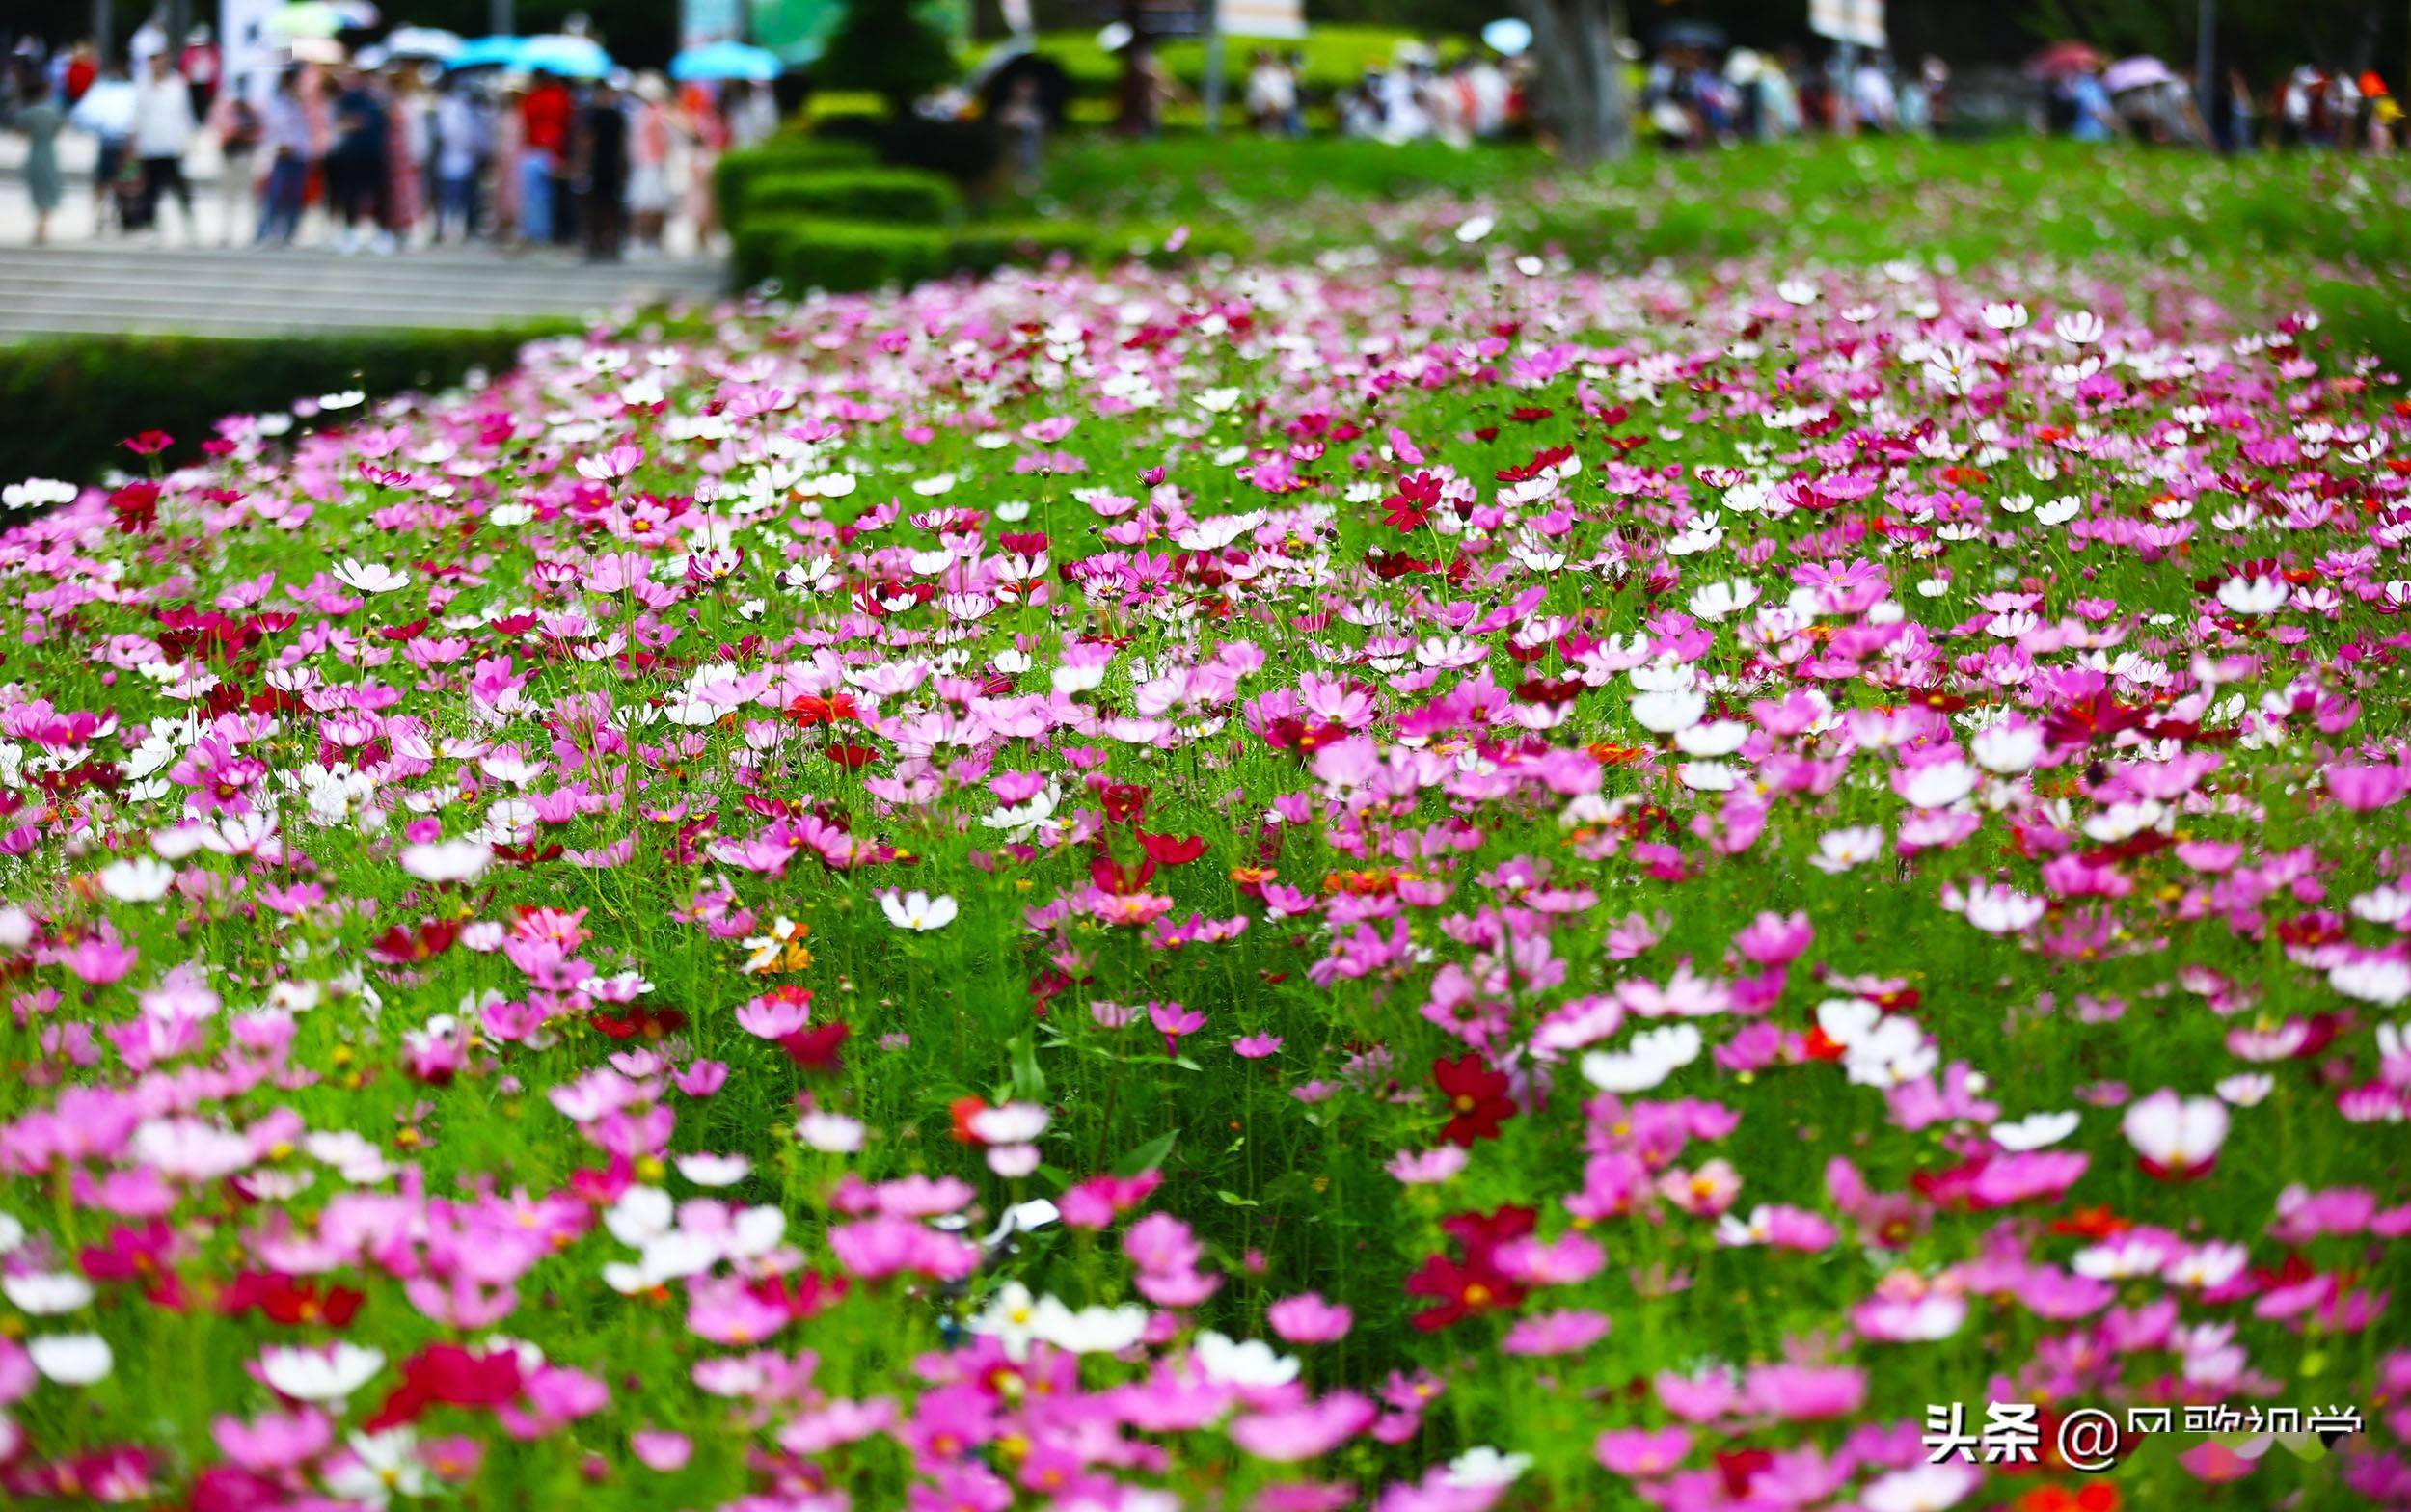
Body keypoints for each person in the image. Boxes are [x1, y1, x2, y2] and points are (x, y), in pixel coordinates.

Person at [130, 50, 198, 241]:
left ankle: (190, 226)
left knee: (180, 188)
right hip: (150, 146)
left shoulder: (177, 84)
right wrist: (134, 142)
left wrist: (187, 141)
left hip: (172, 145)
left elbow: (185, 114)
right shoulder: (143, 85)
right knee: (151, 191)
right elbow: (137, 116)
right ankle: (154, 229)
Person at [327, 66, 391, 253]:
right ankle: (350, 233)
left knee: (378, 195)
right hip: (353, 155)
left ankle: (382, 233)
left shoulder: (379, 98)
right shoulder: (349, 98)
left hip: (375, 154)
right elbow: (343, 122)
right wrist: (354, 122)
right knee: (352, 195)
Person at [576, 75, 628, 261]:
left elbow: (620, 143)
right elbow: (587, 141)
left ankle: (608, 241)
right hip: (599, 165)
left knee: (607, 205)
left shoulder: (614, 115)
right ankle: (597, 241)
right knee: (598, 204)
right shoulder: (596, 115)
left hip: (608, 164)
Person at [257, 68, 312, 244]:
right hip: (280, 155)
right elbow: (271, 129)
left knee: (295, 196)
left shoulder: (303, 103)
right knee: (274, 194)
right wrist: (277, 147)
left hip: (299, 155)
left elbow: (308, 129)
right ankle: (264, 232)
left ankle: (289, 232)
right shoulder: (275, 102)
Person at [518, 68, 572, 246]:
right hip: (553, 149)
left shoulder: (531, 98)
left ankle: (537, 232)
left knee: (536, 196)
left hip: (536, 149)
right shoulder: (560, 96)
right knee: (550, 195)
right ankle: (551, 232)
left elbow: (525, 124)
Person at [13, 63, 65, 244]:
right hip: (48, 151)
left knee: (38, 189)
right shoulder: (53, 112)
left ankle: (40, 225)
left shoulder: (28, 113)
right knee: (48, 188)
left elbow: (19, 132)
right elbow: (58, 130)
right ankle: (43, 224)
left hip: (35, 152)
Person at [206, 74, 261, 246]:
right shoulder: (225, 107)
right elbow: (219, 129)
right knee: (228, 197)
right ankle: (227, 232)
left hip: (246, 156)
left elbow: (258, 130)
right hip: (229, 156)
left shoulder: (252, 108)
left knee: (248, 197)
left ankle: (252, 233)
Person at [432, 80, 485, 242]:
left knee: (462, 196)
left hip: (465, 159)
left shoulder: (468, 110)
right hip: (452, 158)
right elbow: (447, 133)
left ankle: (459, 229)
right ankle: (448, 228)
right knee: (449, 196)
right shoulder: (448, 107)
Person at [627, 73, 673, 254]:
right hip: (646, 163)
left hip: (653, 163)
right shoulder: (646, 113)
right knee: (644, 204)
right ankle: (639, 239)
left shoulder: (655, 113)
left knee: (651, 204)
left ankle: (647, 240)